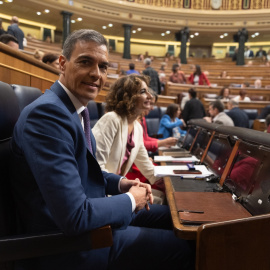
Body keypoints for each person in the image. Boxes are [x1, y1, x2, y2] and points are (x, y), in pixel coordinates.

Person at [9, 29, 195, 270]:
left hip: (94, 221)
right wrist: (130, 200)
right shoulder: (47, 115)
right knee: (185, 247)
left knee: (179, 219)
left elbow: (87, 171)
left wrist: (121, 184)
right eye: (85, 62)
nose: (96, 74)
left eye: (103, 66)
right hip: (73, 245)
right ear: (63, 64)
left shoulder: (75, 111)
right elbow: (75, 216)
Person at [92, 74, 164, 203]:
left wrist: (171, 181)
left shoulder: (137, 127)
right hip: (101, 193)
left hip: (117, 190)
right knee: (161, 205)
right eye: (143, 92)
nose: (150, 96)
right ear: (128, 96)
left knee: (163, 197)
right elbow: (95, 167)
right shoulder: (111, 119)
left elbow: (146, 166)